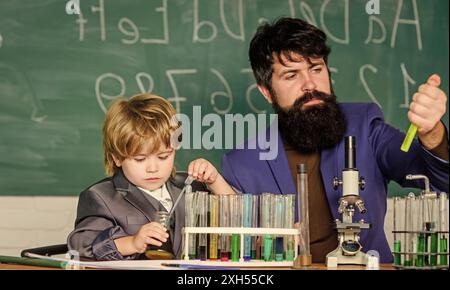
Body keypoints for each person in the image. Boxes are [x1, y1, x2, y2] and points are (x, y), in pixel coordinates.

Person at [221, 17, 449, 263]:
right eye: (291, 76)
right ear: (266, 91)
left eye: (316, 69)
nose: (310, 84)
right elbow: (238, 255)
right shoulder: (241, 165)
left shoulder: (365, 125)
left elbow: (439, 179)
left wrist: (431, 133)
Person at [68, 93, 234, 261]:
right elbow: (81, 245)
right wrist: (131, 243)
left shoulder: (191, 186)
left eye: (163, 157)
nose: (153, 168)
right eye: (140, 159)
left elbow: (238, 220)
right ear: (116, 157)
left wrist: (215, 181)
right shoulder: (101, 197)